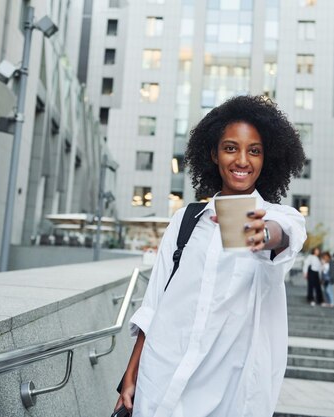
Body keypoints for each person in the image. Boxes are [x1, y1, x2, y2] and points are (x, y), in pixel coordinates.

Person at [114, 95, 307, 417]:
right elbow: (155, 304)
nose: (242, 160)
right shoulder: (186, 220)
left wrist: (264, 233)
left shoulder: (281, 217)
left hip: (230, 391)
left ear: (266, 158)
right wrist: (130, 375)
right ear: (214, 155)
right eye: (231, 148)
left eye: (254, 150)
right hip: (161, 377)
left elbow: (282, 236)